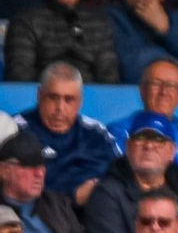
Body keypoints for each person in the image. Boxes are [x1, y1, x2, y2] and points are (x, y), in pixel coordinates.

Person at [84, 111, 178, 233]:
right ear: (128, 147)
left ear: (171, 151)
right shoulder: (107, 193)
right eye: (140, 137)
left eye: (158, 139)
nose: (149, 145)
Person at [107, 58, 178, 209]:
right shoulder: (118, 131)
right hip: (139, 212)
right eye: (156, 84)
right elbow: (123, 182)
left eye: (170, 85)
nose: (164, 92)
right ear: (142, 89)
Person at [4, 0, 120, 84]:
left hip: (91, 100)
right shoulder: (25, 21)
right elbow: (20, 78)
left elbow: (109, 79)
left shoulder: (99, 22)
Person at [0, 132, 92, 233]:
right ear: (5, 171)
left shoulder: (57, 203)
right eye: (30, 166)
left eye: (42, 165)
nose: (40, 173)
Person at [14, 63, 118, 207]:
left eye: (68, 99)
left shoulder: (97, 134)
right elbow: (13, 192)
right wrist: (73, 197)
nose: (60, 108)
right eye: (53, 97)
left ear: (80, 102)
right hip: (35, 222)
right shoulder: (15, 132)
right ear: (39, 96)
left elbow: (120, 181)